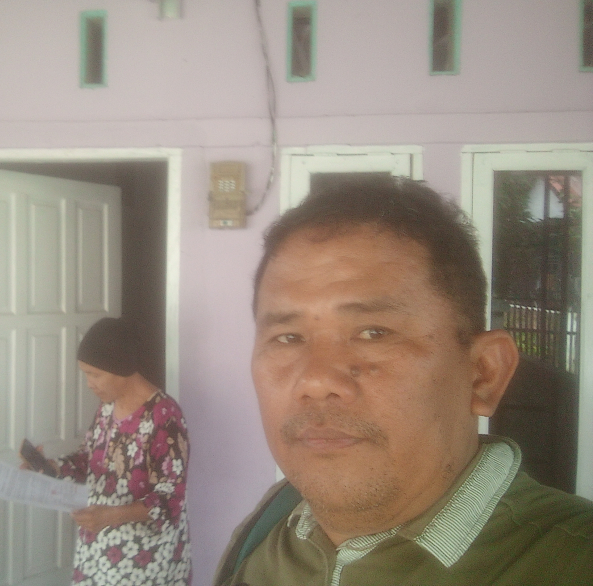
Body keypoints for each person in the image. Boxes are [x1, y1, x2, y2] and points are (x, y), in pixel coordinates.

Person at [214, 177, 593, 585]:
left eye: (373, 333)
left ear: (484, 373)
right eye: (288, 338)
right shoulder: (266, 532)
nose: (316, 380)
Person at [45, 317, 191, 586]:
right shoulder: (107, 407)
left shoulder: (164, 416)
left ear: (120, 367)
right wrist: (49, 467)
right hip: (98, 549)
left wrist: (110, 516)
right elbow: (88, 459)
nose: (89, 383)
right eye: (86, 374)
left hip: (142, 558)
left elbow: (170, 498)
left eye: (94, 374)